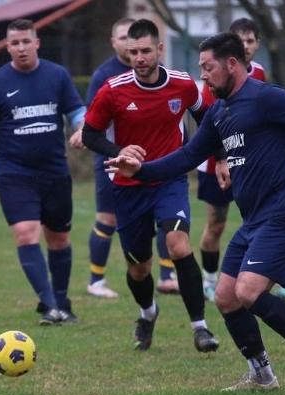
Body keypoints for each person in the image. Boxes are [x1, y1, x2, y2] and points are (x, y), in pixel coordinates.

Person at [105, 32, 285, 395]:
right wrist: (140, 170)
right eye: (200, 70)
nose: (204, 77)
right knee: (227, 296)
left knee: (247, 290)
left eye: (208, 68)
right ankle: (261, 372)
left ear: (232, 64)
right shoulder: (218, 113)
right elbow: (186, 157)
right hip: (254, 221)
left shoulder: (265, 97)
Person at [82, 19, 220, 352]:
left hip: (169, 179)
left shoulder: (183, 85)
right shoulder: (113, 90)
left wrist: (219, 157)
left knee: (178, 245)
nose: (139, 58)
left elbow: (209, 118)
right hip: (128, 187)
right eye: (133, 52)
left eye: (145, 51)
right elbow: (89, 135)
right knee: (139, 267)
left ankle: (200, 328)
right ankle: (148, 312)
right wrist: (119, 152)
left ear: (160, 49)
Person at [0, 19, 84, 325]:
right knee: (26, 233)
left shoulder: (57, 75)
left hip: (54, 170)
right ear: (8, 46)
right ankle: (50, 304)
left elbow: (78, 111)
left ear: (36, 42)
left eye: (26, 41)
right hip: (14, 172)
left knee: (58, 238)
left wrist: (83, 129)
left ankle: (61, 301)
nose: (21, 48)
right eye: (14, 43)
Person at [70, 18, 180, 300]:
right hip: (113, 160)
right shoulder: (104, 75)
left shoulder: (158, 72)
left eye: (141, 47)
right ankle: (96, 279)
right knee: (107, 219)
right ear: (115, 43)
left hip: (154, 163)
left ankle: (167, 276)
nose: (135, 52)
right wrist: (84, 132)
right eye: (121, 39)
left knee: (166, 220)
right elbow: (92, 115)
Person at [196, 18, 285, 304]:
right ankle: (210, 280)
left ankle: (273, 278)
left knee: (265, 215)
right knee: (217, 223)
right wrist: (220, 159)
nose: (246, 45)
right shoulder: (215, 74)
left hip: (248, 161)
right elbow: (214, 121)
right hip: (217, 160)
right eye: (239, 40)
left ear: (256, 45)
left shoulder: (259, 75)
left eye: (250, 40)